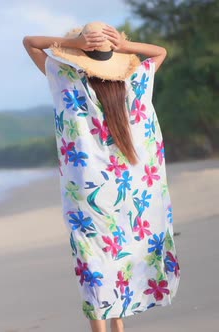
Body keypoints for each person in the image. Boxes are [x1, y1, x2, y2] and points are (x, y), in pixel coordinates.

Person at [22, 21, 180, 332]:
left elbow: (30, 42)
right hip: (131, 188)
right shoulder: (135, 80)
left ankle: (102, 329)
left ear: (79, 53)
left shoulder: (65, 78)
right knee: (118, 256)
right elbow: (160, 52)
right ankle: (117, 326)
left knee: (92, 255)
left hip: (86, 184)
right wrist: (124, 46)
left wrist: (76, 44)